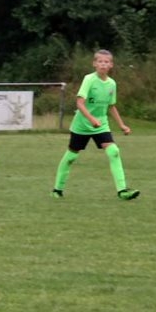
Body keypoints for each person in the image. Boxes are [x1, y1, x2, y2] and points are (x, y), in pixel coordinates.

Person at [51, 49, 140, 201]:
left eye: (106, 62)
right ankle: (57, 189)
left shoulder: (112, 84)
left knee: (114, 151)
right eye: (100, 61)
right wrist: (91, 119)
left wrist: (122, 125)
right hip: (82, 125)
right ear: (94, 64)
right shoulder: (89, 79)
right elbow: (80, 103)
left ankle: (122, 191)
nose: (103, 64)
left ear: (111, 65)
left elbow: (111, 106)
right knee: (71, 156)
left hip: (101, 125)